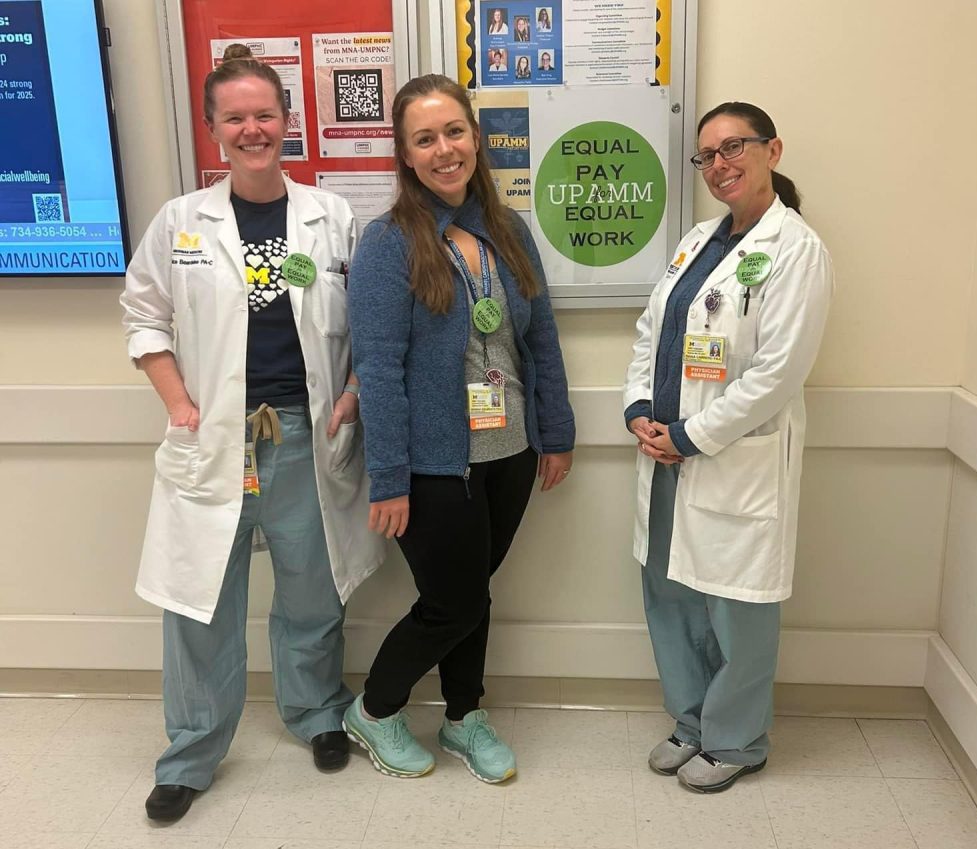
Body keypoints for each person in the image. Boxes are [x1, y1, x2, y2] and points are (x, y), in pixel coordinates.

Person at [120, 44, 385, 822]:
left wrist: (355, 393)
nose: (252, 128)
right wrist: (178, 404)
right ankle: (192, 752)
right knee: (200, 599)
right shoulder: (181, 221)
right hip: (216, 439)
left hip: (304, 432)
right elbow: (142, 317)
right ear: (213, 130)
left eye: (265, 114)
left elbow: (369, 322)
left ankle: (315, 712)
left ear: (286, 122)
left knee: (311, 589)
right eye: (234, 117)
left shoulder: (329, 215)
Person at [345, 74, 574, 784]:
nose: (444, 149)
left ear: (476, 138)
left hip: (510, 450)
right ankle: (376, 709)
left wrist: (556, 431)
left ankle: (462, 715)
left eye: (454, 132)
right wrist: (388, 477)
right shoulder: (389, 245)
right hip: (432, 463)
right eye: (425, 138)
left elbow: (541, 341)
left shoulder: (508, 233)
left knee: (474, 591)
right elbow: (378, 369)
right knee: (456, 600)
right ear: (405, 155)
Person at [623, 102, 834, 794]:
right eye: (707, 154)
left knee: (738, 610)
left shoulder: (795, 250)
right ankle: (691, 722)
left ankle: (737, 740)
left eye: (733, 146)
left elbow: (777, 375)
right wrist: (639, 413)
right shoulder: (696, 243)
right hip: (665, 458)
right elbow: (650, 333)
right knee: (671, 593)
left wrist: (690, 436)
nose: (720, 163)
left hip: (730, 460)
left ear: (772, 149)